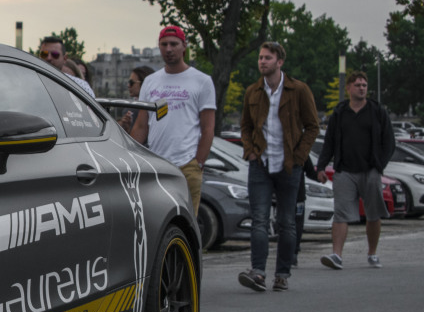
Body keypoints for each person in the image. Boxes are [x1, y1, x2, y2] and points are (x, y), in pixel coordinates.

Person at [236, 41, 320, 292]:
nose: (262, 61)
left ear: (280, 62)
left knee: (286, 221)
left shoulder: (299, 90)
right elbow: (246, 126)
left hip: (289, 165)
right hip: (260, 164)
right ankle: (258, 272)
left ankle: (282, 273)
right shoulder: (253, 91)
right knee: (260, 219)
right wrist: (250, 151)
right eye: (260, 57)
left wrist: (299, 157)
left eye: (268, 58)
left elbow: (312, 127)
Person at [129, 25, 217, 215]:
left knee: (188, 222)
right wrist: (129, 155)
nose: (169, 49)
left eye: (174, 44)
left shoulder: (202, 81)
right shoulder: (151, 81)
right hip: (157, 165)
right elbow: (142, 125)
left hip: (187, 164)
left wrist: (198, 163)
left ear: (184, 46)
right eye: (164, 44)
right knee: (157, 219)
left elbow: (208, 128)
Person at [314, 70, 396, 269]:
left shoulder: (377, 111)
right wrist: (321, 166)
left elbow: (389, 142)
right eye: (357, 85)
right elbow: (329, 142)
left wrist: (379, 166)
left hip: (370, 170)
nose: (361, 88)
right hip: (345, 171)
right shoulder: (340, 112)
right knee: (341, 213)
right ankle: (337, 255)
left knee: (373, 214)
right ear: (349, 88)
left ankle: (372, 253)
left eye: (364, 85)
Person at [118, 64, 156, 131]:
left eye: (131, 82)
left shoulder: (152, 108)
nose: (128, 85)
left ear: (144, 83)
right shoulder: (129, 108)